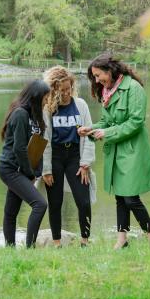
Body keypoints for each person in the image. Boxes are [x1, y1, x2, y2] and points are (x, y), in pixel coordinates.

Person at [78, 54, 150, 249]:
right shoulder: (108, 91)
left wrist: (106, 132)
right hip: (115, 150)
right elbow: (106, 122)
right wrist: (90, 129)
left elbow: (136, 122)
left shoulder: (133, 88)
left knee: (131, 197)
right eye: (95, 77)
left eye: (99, 76)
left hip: (133, 150)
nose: (97, 81)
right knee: (120, 196)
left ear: (110, 70)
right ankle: (122, 240)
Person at [41, 66, 96, 248]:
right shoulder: (48, 109)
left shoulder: (80, 105)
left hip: (74, 156)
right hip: (55, 156)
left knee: (83, 200)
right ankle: (57, 242)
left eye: (69, 88)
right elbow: (45, 140)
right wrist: (46, 169)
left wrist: (85, 163)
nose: (66, 93)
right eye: (62, 90)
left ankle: (85, 241)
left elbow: (89, 134)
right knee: (55, 202)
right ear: (53, 89)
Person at [0, 79, 51, 248]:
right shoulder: (20, 114)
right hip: (11, 169)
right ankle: (30, 248)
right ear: (36, 96)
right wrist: (29, 173)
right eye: (45, 97)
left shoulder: (35, 114)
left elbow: (37, 144)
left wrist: (37, 170)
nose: (46, 101)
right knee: (39, 205)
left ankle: (10, 249)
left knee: (11, 211)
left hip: (24, 168)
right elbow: (19, 148)